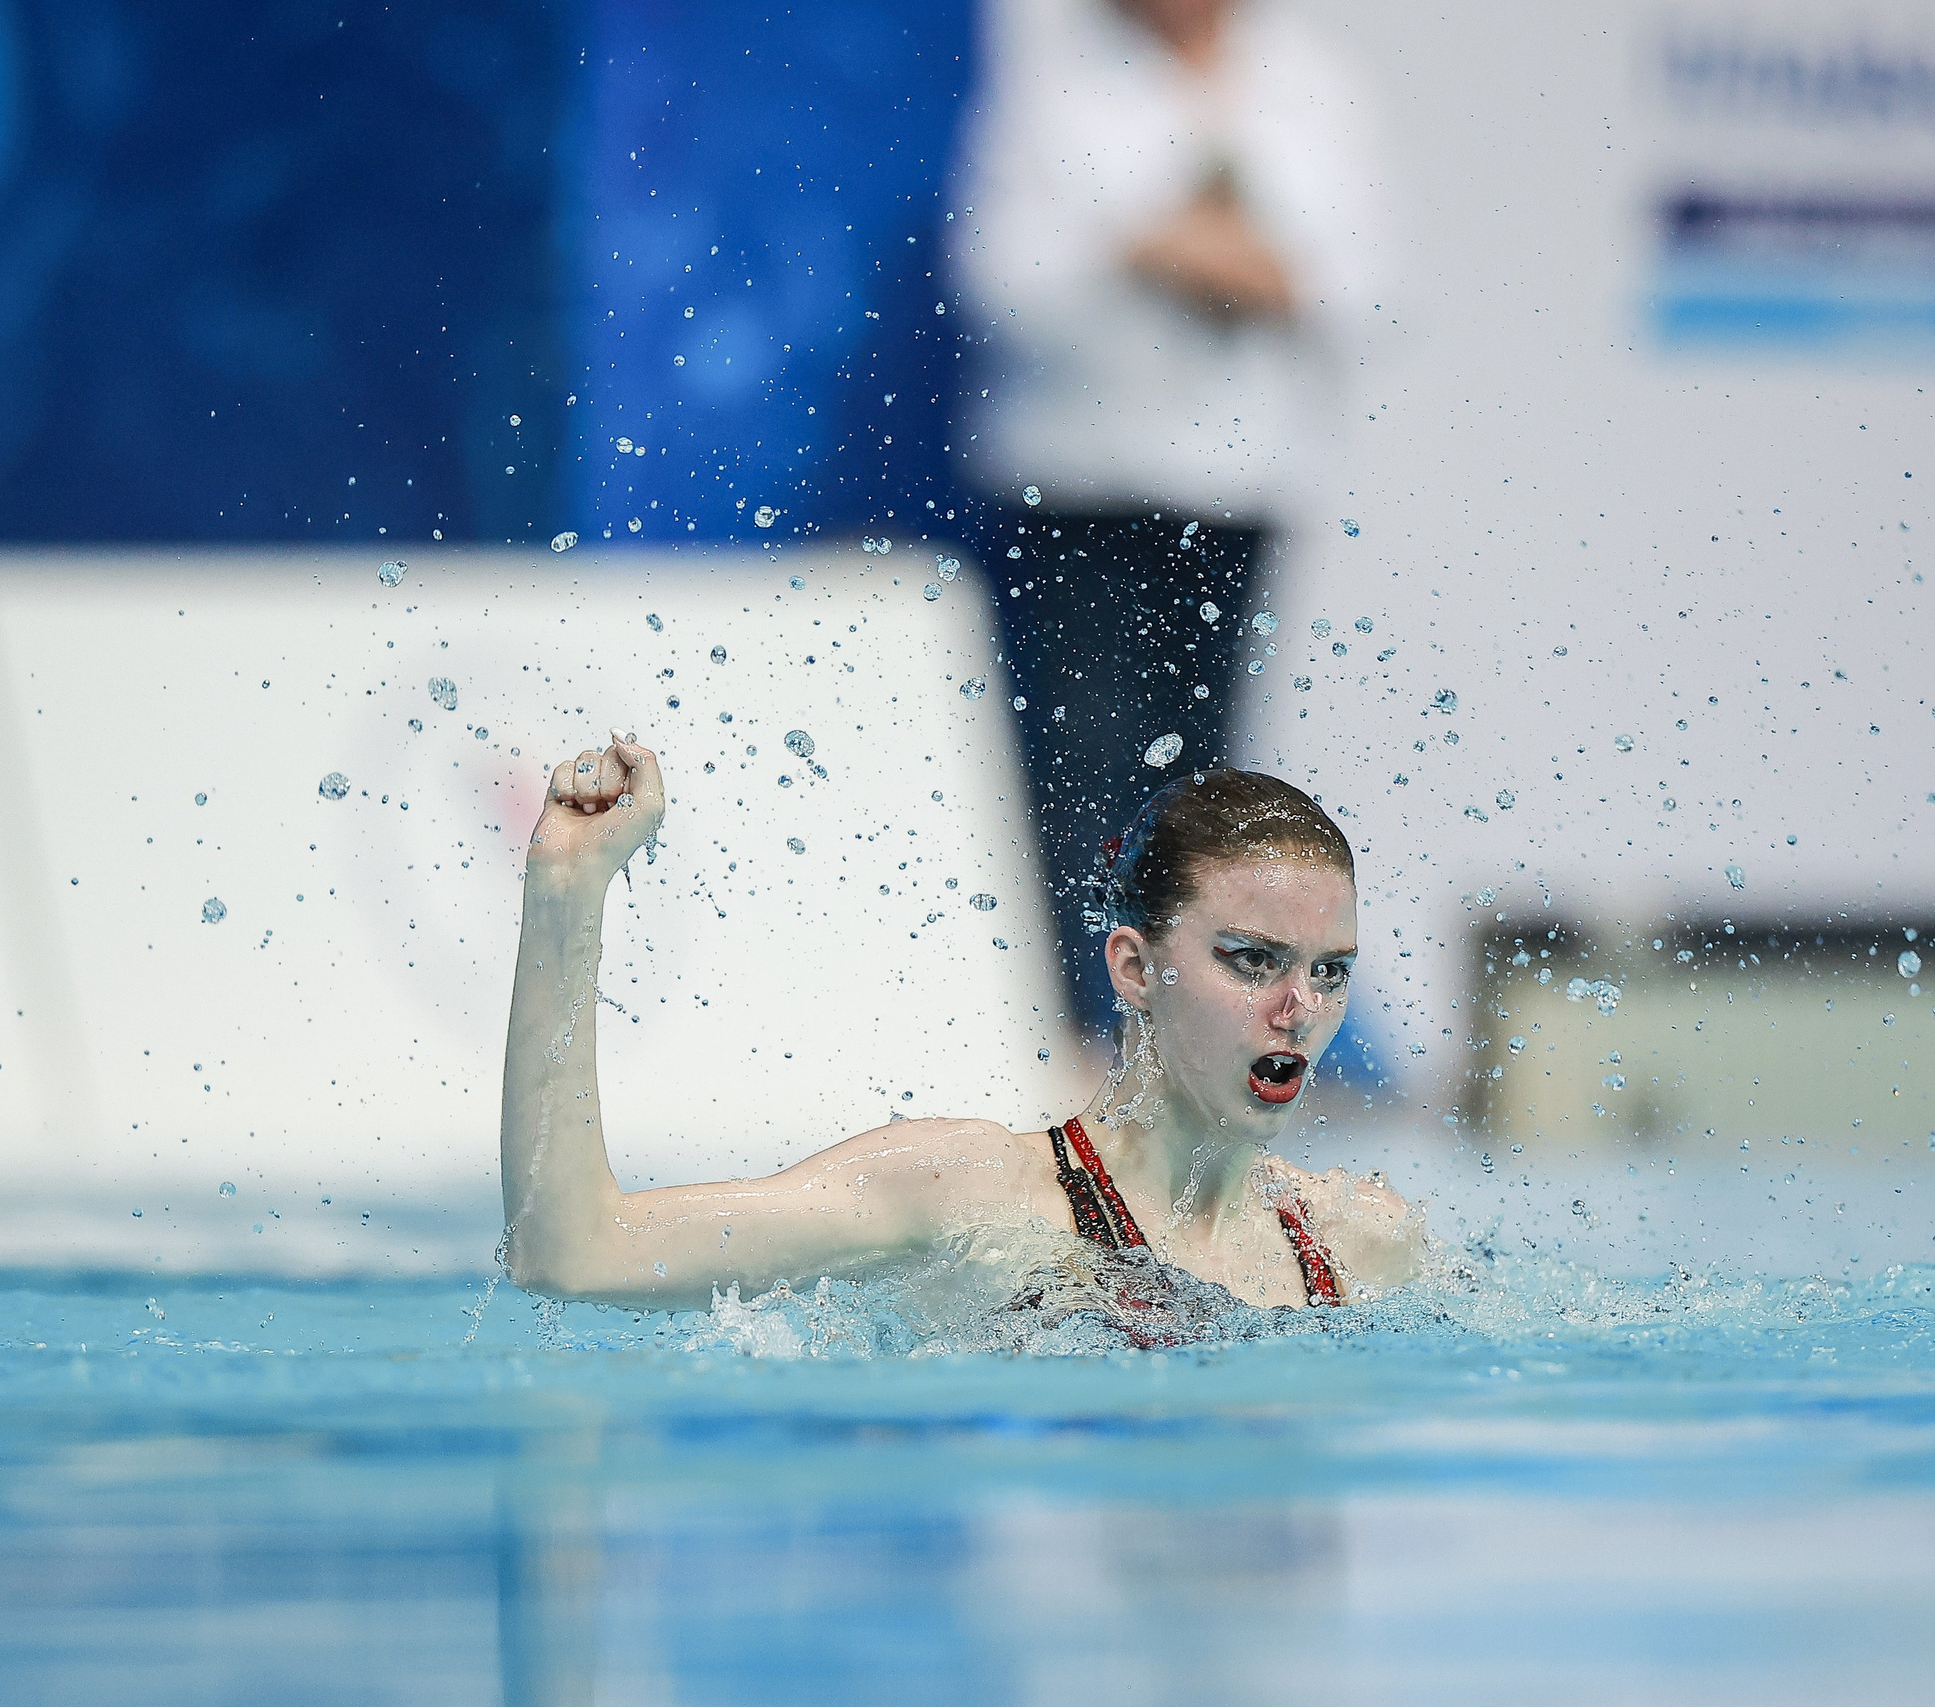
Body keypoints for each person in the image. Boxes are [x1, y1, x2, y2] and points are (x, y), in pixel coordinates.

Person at [498, 731, 1420, 1314]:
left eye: (1330, 972)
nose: (1300, 1009)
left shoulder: (1354, 1241)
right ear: (1136, 968)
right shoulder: (974, 1193)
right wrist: (567, 891)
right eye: (1252, 960)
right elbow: (573, 1251)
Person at [946, 0, 1384, 1031]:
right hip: (1083, 481)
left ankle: (1173, 1041)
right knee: (1076, 778)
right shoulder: (1051, 74)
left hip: (1240, 484)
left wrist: (1274, 273)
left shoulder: (1317, 78)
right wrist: (1145, 249)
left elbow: (1378, 285)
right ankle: (1066, 1041)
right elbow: (996, 280)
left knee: (1201, 785)